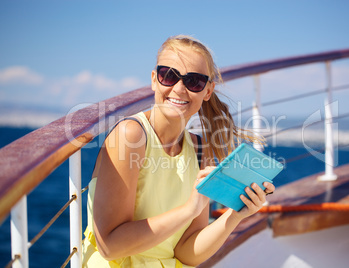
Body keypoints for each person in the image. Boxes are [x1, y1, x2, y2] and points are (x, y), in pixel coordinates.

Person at [82, 35, 275, 267]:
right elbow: (109, 247)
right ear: (154, 80)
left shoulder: (201, 150)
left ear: (207, 91)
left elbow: (186, 253)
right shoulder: (131, 136)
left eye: (194, 81)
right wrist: (188, 210)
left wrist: (236, 215)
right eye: (169, 76)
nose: (179, 88)